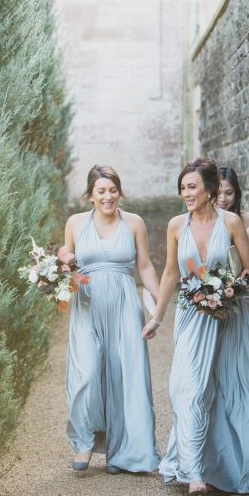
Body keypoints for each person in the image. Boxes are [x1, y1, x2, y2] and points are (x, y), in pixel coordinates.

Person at [143, 157, 249, 496]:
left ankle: (234, 463)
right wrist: (157, 317)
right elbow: (171, 272)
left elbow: (248, 268)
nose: (186, 194)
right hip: (192, 317)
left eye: (192, 187)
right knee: (188, 387)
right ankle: (193, 471)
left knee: (231, 385)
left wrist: (225, 290)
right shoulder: (176, 225)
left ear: (209, 190)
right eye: (183, 188)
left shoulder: (231, 222)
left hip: (228, 316)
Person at [63, 164, 160, 474]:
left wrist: (158, 302)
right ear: (90, 195)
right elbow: (65, 260)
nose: (108, 196)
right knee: (87, 373)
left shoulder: (134, 222)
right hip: (87, 306)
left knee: (125, 376)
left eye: (113, 190)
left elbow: (145, 266)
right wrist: (58, 271)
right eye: (101, 191)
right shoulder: (76, 223)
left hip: (123, 305)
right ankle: (84, 441)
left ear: (120, 192)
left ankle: (123, 452)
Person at [217, 165, 249, 340]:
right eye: (218, 193)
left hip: (244, 300)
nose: (223, 199)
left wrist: (241, 253)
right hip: (214, 302)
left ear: (237, 193)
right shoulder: (206, 223)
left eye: (229, 193)